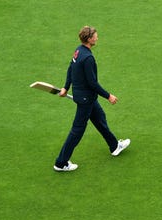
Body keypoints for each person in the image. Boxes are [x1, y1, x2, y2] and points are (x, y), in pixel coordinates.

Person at [53, 26, 130, 172]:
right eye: (95, 36)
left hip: (85, 97)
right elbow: (92, 83)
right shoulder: (88, 58)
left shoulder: (78, 51)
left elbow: (71, 68)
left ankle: (114, 146)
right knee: (77, 131)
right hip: (86, 99)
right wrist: (109, 96)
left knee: (100, 119)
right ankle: (61, 162)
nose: (97, 37)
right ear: (89, 39)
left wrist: (66, 87)